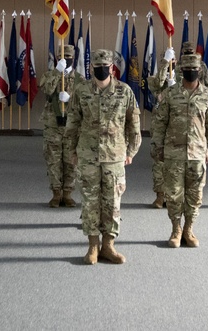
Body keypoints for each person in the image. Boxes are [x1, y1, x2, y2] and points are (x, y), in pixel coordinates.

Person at [65, 48, 141, 265]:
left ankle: (108, 245)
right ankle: (92, 246)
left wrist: (131, 151)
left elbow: (133, 124)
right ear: (91, 69)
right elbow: (73, 123)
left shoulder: (124, 92)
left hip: (115, 155)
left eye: (105, 68)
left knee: (112, 202)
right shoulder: (81, 91)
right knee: (90, 201)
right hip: (87, 154)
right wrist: (71, 151)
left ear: (111, 68)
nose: (101, 71)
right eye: (97, 68)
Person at [152, 53, 208, 248]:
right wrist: (158, 147)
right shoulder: (171, 94)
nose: (191, 73)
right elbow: (160, 123)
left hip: (197, 153)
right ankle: (175, 229)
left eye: (194, 70)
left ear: (199, 71)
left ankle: (188, 229)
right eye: (187, 70)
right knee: (173, 194)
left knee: (195, 194)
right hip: (173, 153)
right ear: (181, 72)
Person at [146, 41, 208, 208]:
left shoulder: (190, 70)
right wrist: (166, 64)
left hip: (184, 121)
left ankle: (175, 196)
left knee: (179, 166)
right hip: (163, 116)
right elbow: (154, 85)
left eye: (191, 51)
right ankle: (160, 195)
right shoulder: (168, 67)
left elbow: (203, 89)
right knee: (160, 161)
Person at [38, 44, 85, 208]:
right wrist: (57, 72)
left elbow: (85, 102)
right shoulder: (50, 75)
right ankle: (56, 193)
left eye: (69, 57)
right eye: (63, 57)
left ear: (74, 58)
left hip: (72, 127)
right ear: (58, 58)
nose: (66, 59)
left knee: (71, 161)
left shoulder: (80, 79)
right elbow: (47, 90)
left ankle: (67, 193)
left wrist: (70, 98)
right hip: (53, 126)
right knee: (53, 161)